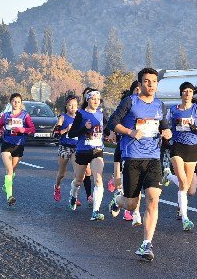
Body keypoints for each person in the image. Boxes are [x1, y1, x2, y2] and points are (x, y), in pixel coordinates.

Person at [108, 68, 172, 262]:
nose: (151, 84)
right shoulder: (130, 102)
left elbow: (164, 127)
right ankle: (118, 200)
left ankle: (146, 244)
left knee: (153, 198)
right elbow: (112, 123)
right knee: (131, 204)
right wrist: (130, 132)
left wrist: (167, 133)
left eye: (154, 81)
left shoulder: (160, 105)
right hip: (132, 158)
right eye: (147, 81)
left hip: (153, 158)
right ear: (140, 84)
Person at [165, 82, 197, 231]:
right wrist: (165, 133)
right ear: (181, 93)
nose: (187, 94)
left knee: (186, 186)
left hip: (193, 148)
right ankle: (185, 219)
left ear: (193, 94)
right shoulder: (173, 110)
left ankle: (168, 176)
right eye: (185, 91)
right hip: (177, 147)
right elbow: (165, 125)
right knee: (182, 181)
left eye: (190, 91)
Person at [67, 89, 106, 221]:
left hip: (97, 150)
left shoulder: (101, 114)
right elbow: (71, 134)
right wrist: (84, 127)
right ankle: (73, 195)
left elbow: (106, 129)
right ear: (88, 100)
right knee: (78, 180)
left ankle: (95, 211)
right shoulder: (81, 114)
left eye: (98, 99)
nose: (96, 101)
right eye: (93, 98)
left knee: (98, 179)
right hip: (82, 150)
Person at [108, 80, 141, 224]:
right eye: (137, 90)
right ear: (132, 91)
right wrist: (112, 133)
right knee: (119, 183)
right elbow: (113, 121)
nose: (139, 93)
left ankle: (135, 214)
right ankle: (118, 199)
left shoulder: (149, 108)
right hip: (122, 148)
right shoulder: (126, 104)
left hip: (139, 152)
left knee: (136, 185)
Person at [0, 93, 35, 206]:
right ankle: (9, 196)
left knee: (13, 172)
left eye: (18, 101)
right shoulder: (6, 115)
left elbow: (32, 129)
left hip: (19, 145)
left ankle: (6, 185)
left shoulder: (25, 116)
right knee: (9, 171)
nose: (16, 103)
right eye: (14, 101)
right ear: (10, 103)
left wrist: (23, 130)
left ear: (21, 104)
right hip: (6, 144)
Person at [53, 95, 79, 202]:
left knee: (78, 174)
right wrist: (66, 130)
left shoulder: (80, 118)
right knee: (62, 173)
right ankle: (57, 187)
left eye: (75, 105)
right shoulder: (63, 117)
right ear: (66, 106)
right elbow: (55, 133)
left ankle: (74, 195)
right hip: (64, 147)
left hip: (76, 148)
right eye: (70, 105)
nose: (73, 107)